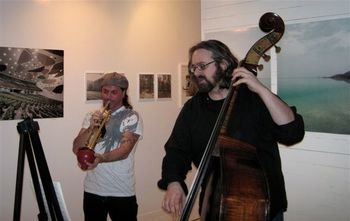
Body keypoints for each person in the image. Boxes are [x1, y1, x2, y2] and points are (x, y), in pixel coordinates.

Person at [158, 40, 305, 221]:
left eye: (202, 66)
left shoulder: (254, 98)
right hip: (213, 205)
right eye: (193, 67)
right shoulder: (193, 108)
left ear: (224, 64)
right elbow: (176, 150)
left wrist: (260, 89)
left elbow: (292, 133)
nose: (196, 73)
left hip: (260, 206)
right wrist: (174, 182)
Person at [73, 72, 143, 221]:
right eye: (105, 91)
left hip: (121, 191)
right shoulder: (91, 116)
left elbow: (125, 151)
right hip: (92, 189)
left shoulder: (131, 116)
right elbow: (75, 148)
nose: (108, 97)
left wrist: (101, 158)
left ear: (123, 93)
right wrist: (91, 128)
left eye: (114, 92)